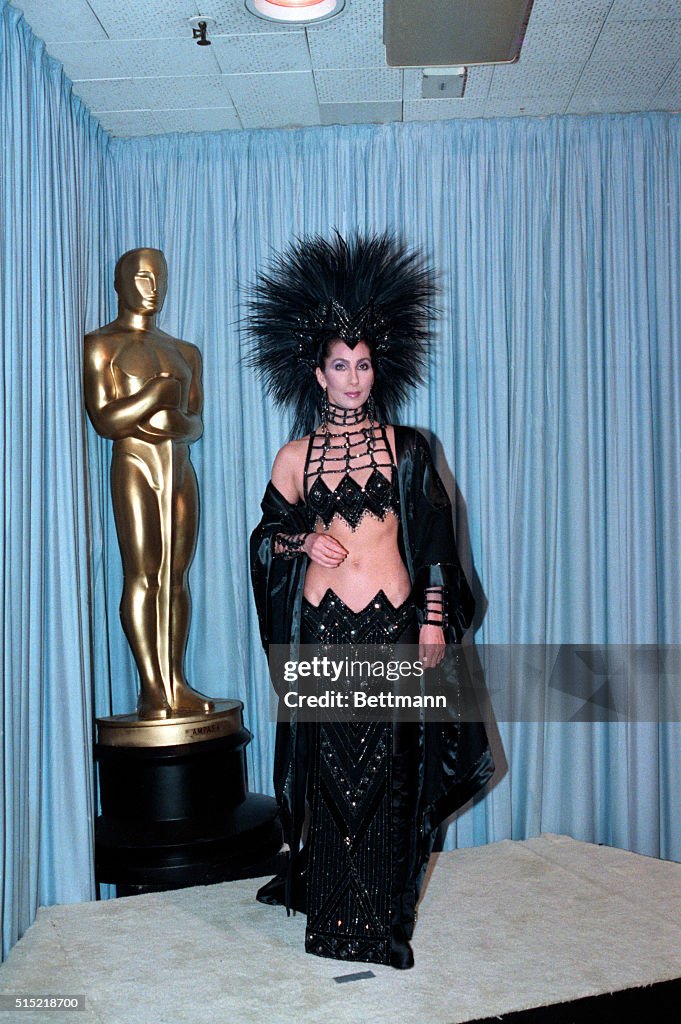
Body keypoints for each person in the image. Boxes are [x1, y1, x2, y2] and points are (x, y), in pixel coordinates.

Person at [247, 233, 493, 969]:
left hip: (390, 628)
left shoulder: (407, 446)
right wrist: (300, 545)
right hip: (323, 632)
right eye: (339, 366)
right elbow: (265, 538)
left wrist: (432, 622)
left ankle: (382, 925)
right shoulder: (293, 457)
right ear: (317, 375)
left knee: (388, 775)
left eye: (361, 364)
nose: (353, 378)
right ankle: (328, 918)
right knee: (328, 776)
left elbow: (438, 546)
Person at [84, 247, 214, 720]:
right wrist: (155, 400)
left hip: (178, 467)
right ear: (120, 283)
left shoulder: (185, 351)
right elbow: (104, 418)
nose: (153, 287)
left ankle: (175, 681)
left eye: (159, 277)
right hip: (135, 462)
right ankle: (150, 686)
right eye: (141, 277)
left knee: (176, 577)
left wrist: (171, 425)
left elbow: (195, 423)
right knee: (144, 572)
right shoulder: (102, 344)